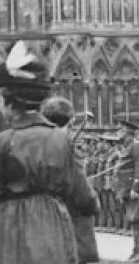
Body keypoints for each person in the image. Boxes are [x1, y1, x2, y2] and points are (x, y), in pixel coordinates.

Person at [0, 41, 99, 264]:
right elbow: (83, 196)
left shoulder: (2, 142)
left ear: (9, 103)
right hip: (53, 228)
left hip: (10, 231)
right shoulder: (63, 141)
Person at [41, 96, 100, 264]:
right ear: (70, 121)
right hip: (71, 225)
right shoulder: (67, 149)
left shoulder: (36, 146)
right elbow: (84, 195)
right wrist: (94, 204)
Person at [115, 119, 139, 262]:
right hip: (125, 189)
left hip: (134, 189)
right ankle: (136, 251)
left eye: (120, 130)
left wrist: (136, 187)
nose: (117, 132)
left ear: (127, 132)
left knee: (138, 219)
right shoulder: (126, 147)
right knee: (133, 220)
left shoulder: (137, 146)